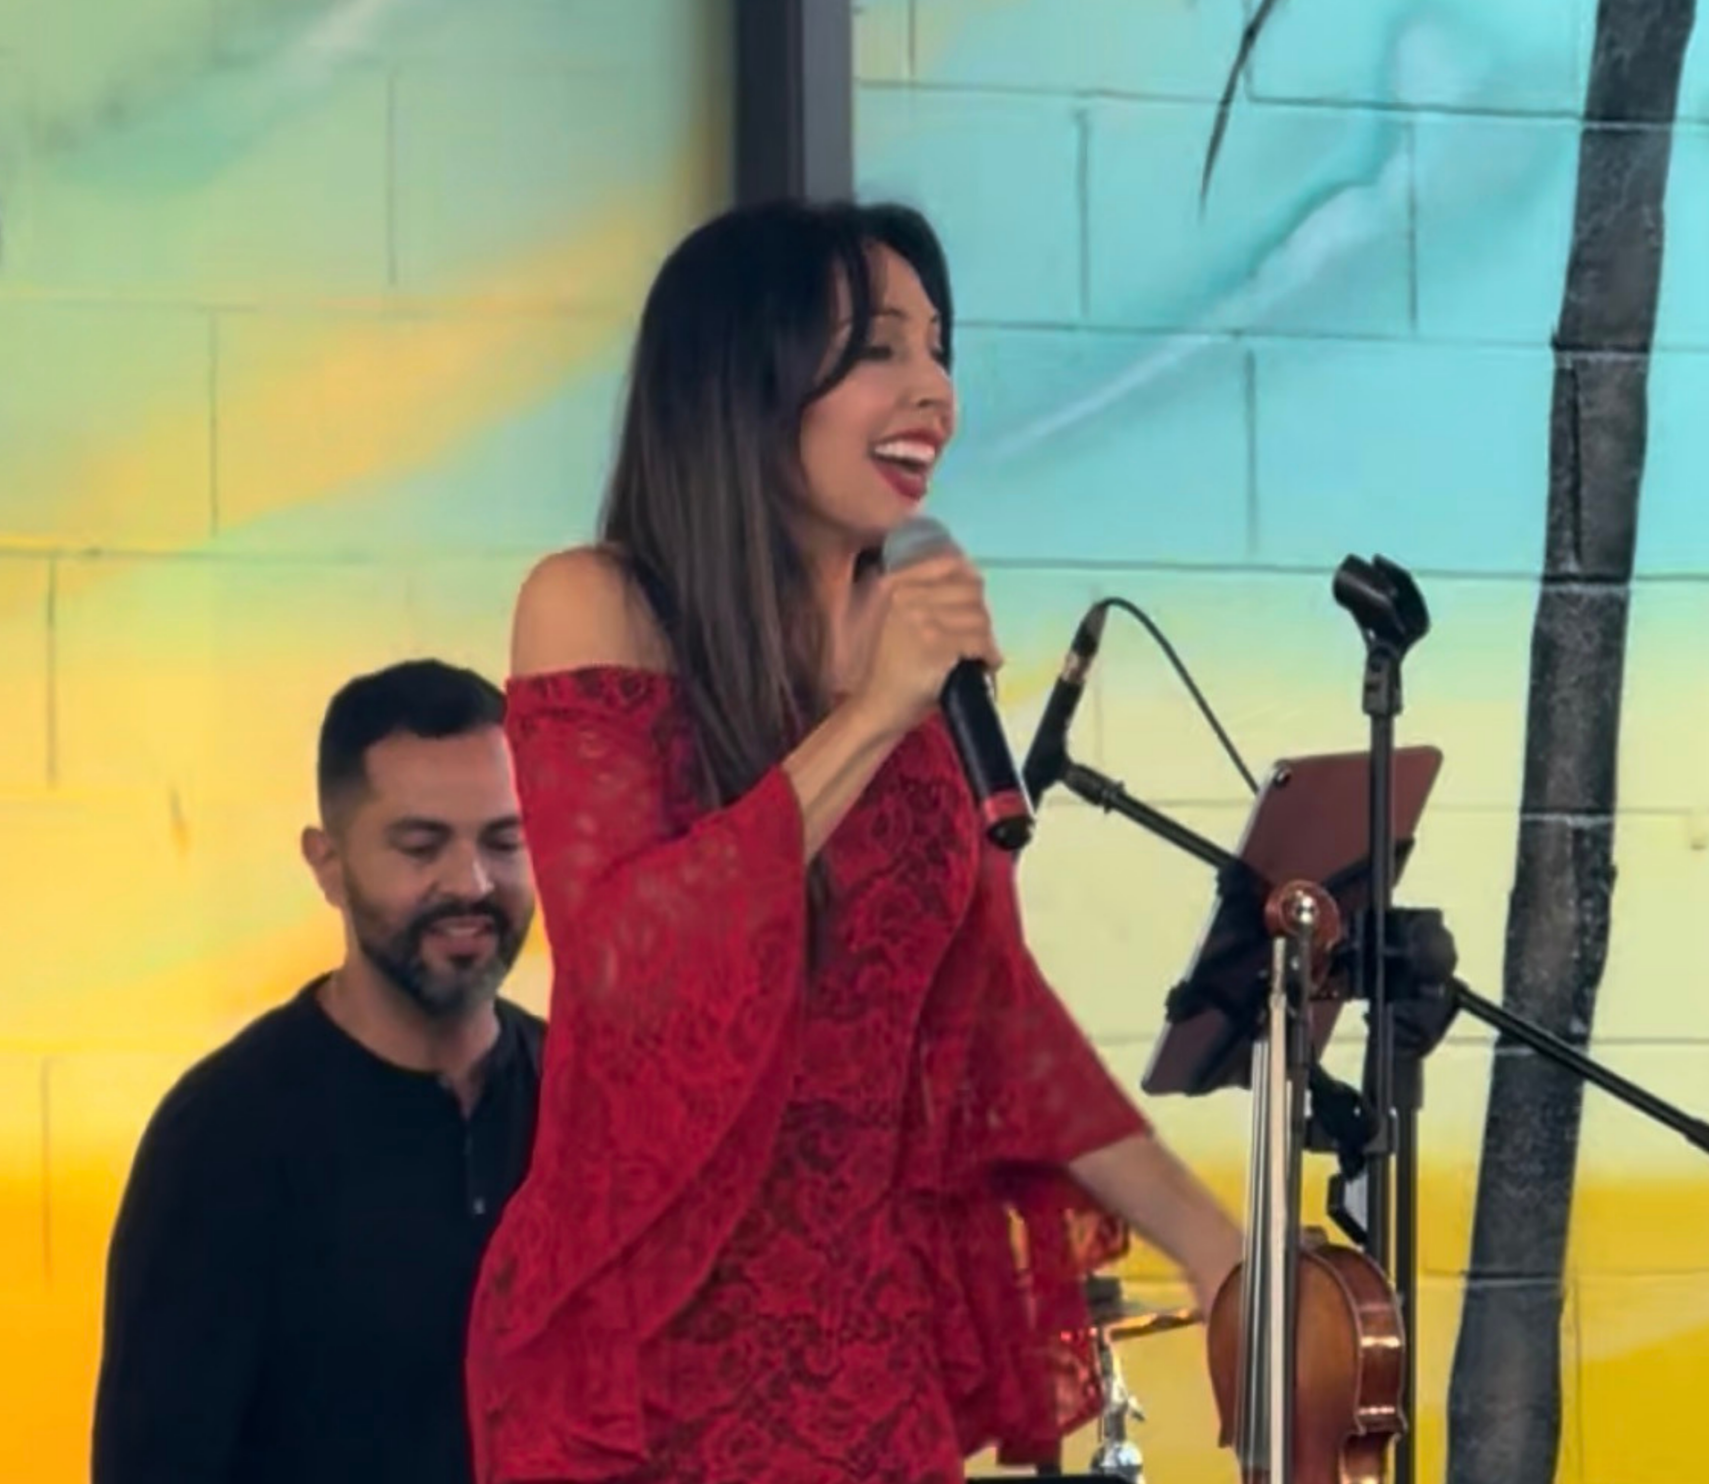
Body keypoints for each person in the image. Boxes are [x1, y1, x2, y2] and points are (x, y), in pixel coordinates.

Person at [463, 199, 1244, 1484]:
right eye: (881, 347)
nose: (933, 390)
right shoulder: (597, 605)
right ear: (742, 378)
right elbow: (627, 968)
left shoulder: (919, 672)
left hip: (862, 1354)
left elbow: (994, 1017)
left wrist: (1215, 1248)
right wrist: (874, 711)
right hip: (645, 1347)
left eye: (940, 348)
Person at [92, 659, 544, 1484]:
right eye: (421, 846)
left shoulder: (590, 1100)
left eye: (504, 841)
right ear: (327, 864)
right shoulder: (225, 1137)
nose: (471, 882)